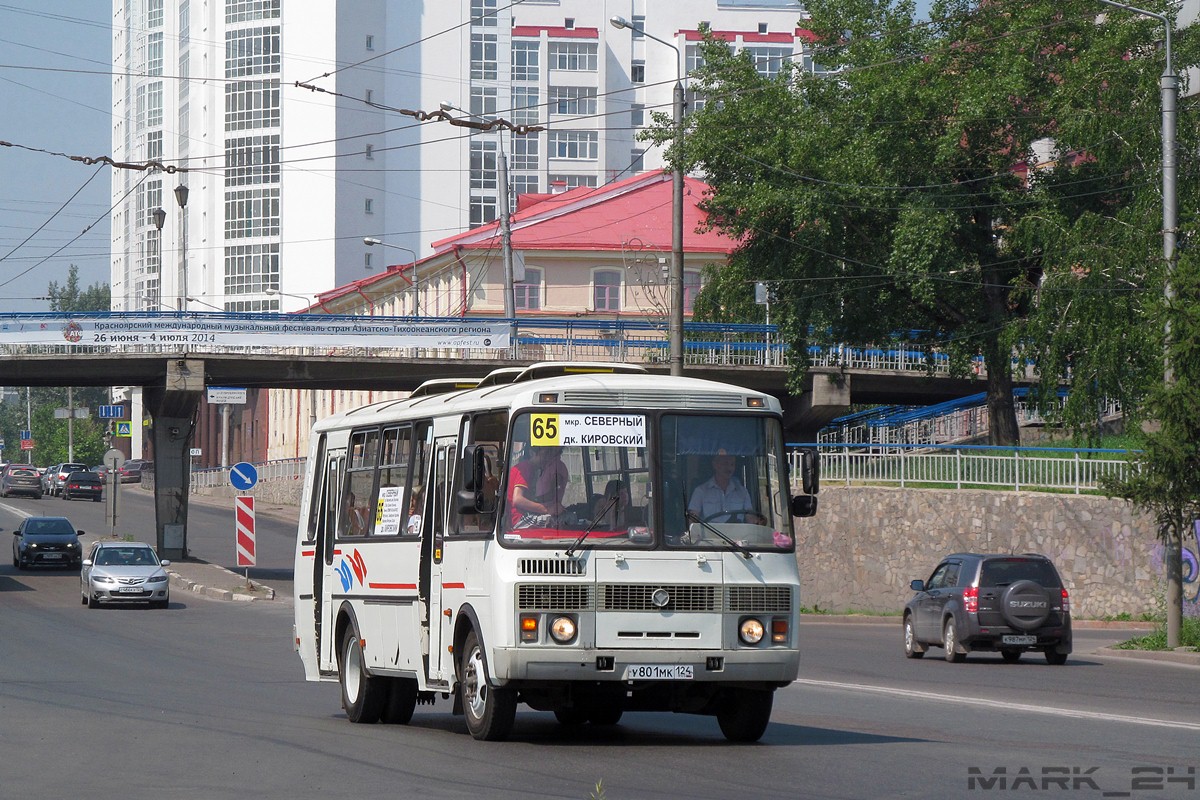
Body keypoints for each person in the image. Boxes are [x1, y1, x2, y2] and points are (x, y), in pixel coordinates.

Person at [687, 449, 763, 524]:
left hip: (737, 535)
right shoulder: (700, 491)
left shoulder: (743, 492)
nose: (729, 468)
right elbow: (693, 519)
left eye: (732, 464)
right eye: (725, 464)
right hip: (709, 536)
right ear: (715, 465)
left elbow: (750, 517)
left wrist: (757, 522)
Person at [508, 445, 569, 528]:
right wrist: (547, 509)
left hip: (524, 515)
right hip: (519, 519)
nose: (547, 458)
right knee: (561, 521)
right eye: (544, 454)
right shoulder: (525, 468)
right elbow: (517, 500)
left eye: (549, 454)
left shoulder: (532, 470)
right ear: (532, 453)